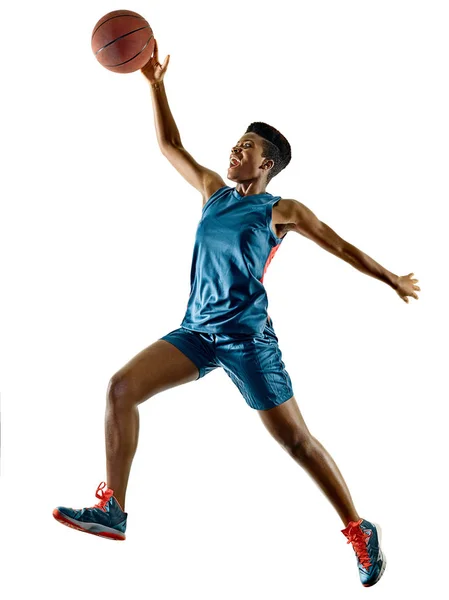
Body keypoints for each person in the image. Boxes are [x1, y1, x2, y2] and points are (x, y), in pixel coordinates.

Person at [53, 39, 420, 587]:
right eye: (234, 144)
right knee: (121, 388)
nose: (233, 152)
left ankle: (358, 528)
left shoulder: (281, 210)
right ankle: (114, 511)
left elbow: (341, 247)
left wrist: (389, 276)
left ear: (265, 163)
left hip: (247, 340)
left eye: (244, 148)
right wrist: (155, 85)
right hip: (196, 332)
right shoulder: (212, 194)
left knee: (295, 441)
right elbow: (170, 145)